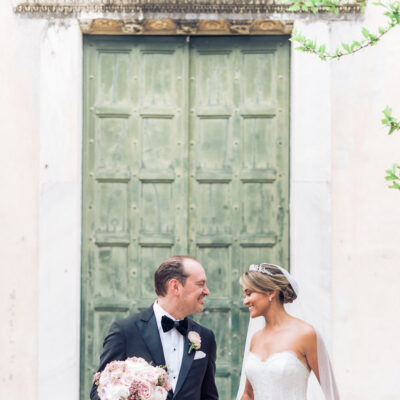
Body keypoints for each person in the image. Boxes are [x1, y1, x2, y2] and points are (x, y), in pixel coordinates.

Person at [90, 255, 218, 400]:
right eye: (201, 284)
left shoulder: (206, 337)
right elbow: (99, 391)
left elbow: (209, 396)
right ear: (175, 286)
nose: (207, 291)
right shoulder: (125, 331)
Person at [237, 263, 340, 400]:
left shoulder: (306, 334)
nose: (245, 301)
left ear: (270, 292)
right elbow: (248, 395)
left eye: (249, 294)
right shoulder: (256, 338)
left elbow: (331, 393)